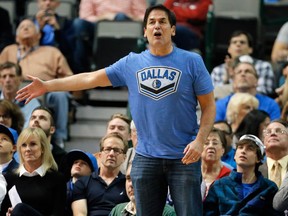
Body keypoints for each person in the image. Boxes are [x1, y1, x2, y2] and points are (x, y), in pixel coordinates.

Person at [16, 4, 216, 216]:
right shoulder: (132, 62)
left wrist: (200, 141)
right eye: (152, 22)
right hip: (146, 157)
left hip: (183, 156)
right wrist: (47, 85)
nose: (157, 26)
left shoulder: (192, 61)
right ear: (145, 31)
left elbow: (209, 106)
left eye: (162, 22)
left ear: (173, 29)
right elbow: (89, 78)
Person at [0, 18, 73, 148]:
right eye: (22, 26)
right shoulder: (9, 50)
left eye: (30, 26)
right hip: (12, 90)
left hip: (46, 91)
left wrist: (51, 85)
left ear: (39, 35)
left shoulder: (52, 52)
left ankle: (60, 137)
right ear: (16, 37)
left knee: (61, 95)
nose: (26, 28)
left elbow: (69, 78)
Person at [203, 134, 279, 215]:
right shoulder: (219, 185)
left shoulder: (269, 188)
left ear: (258, 159)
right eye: (240, 147)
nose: (243, 151)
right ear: (235, 156)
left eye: (250, 149)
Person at [0, 127, 66, 216]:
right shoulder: (9, 178)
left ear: (43, 148)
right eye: (24, 145)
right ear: (19, 149)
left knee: (20, 208)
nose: (27, 149)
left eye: (33, 144)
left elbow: (58, 213)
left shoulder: (57, 178)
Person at [72, 0, 147, 73]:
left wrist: (130, 17)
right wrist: (103, 18)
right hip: (97, 26)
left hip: (126, 25)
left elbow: (143, 16)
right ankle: (81, 72)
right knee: (78, 24)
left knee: (120, 17)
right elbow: (85, 16)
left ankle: (122, 70)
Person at [71, 132, 129, 215]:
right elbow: (79, 214)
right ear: (100, 155)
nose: (111, 154)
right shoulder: (83, 182)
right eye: (108, 149)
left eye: (116, 150)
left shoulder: (128, 183)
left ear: (124, 158)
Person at [211, 30, 274, 96]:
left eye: (242, 42)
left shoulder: (263, 67)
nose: (238, 44)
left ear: (250, 49)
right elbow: (214, 96)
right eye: (234, 42)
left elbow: (263, 92)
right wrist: (226, 80)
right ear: (229, 49)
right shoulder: (217, 70)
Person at [215, 61, 281, 122]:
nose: (243, 74)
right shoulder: (220, 105)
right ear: (233, 82)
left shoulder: (271, 105)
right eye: (239, 72)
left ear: (256, 81)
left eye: (248, 71)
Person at [109, 163, 176, 216]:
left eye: (138, 179)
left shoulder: (167, 213)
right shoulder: (117, 211)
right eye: (128, 178)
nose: (131, 184)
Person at [33, 0, 74, 68]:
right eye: (44, 0)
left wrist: (57, 30)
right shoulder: (28, 22)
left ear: (58, 3)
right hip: (34, 58)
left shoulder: (65, 22)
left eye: (51, 0)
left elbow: (69, 49)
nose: (47, 3)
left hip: (57, 59)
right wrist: (39, 29)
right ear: (38, 2)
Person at [0, 62, 41, 127]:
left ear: (20, 79)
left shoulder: (30, 101)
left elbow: (31, 127)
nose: (7, 80)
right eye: (4, 76)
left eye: (11, 76)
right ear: (0, 80)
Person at [59, 149, 98, 216]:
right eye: (75, 162)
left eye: (84, 163)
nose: (78, 164)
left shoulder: (95, 191)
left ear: (92, 172)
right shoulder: (60, 187)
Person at [201, 128, 231, 200]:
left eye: (215, 143)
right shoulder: (191, 173)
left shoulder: (229, 176)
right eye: (206, 143)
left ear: (223, 150)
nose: (211, 146)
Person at [260, 119, 288, 188]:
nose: (273, 134)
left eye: (279, 131)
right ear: (263, 141)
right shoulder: (254, 171)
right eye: (268, 132)